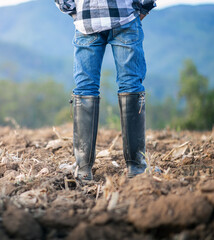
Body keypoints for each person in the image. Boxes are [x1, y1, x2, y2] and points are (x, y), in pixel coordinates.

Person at [55, 0, 156, 180]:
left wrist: (72, 10)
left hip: (87, 19)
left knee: (85, 88)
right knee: (131, 85)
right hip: (125, 16)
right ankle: (136, 167)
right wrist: (143, 8)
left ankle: (83, 169)